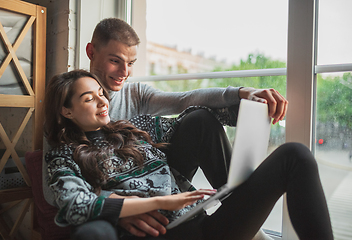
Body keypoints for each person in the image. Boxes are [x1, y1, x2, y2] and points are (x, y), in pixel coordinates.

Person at [43, 69, 333, 240]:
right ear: (66, 111)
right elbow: (72, 204)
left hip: (201, 226)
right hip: (160, 233)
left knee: (294, 154)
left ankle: (237, 193)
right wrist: (158, 202)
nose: (101, 101)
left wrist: (250, 102)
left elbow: (195, 119)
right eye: (87, 98)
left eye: (100, 93)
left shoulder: (133, 129)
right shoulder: (63, 155)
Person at [85, 18, 288, 237]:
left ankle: (248, 222)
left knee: (199, 119)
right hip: (121, 189)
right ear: (91, 52)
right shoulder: (71, 100)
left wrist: (242, 92)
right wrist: (119, 208)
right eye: (115, 61)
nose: (125, 72)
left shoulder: (134, 94)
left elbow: (184, 99)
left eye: (131, 63)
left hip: (156, 176)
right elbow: (57, 186)